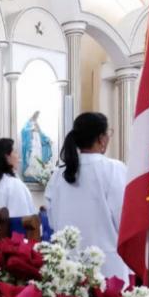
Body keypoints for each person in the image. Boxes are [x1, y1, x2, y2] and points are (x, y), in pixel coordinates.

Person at [44, 112, 129, 282]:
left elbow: (52, 221)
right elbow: (124, 219)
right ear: (101, 138)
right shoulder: (114, 169)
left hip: (68, 267)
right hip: (107, 267)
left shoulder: (58, 174)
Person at [21, 111, 53, 180]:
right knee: (32, 155)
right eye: (37, 115)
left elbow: (41, 133)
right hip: (32, 142)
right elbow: (24, 130)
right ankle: (31, 172)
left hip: (37, 142)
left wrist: (47, 139)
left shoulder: (37, 124)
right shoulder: (28, 122)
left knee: (38, 155)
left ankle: (38, 172)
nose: (37, 117)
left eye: (38, 116)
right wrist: (32, 129)